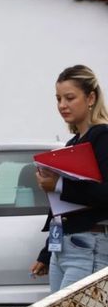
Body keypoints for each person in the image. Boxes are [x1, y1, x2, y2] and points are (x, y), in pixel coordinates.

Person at [30, 64, 108, 293]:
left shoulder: (102, 136)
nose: (62, 105)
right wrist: (47, 252)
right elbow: (62, 208)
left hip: (89, 246)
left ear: (90, 97)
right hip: (62, 249)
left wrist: (58, 184)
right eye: (58, 99)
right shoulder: (72, 144)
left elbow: (105, 193)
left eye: (70, 98)